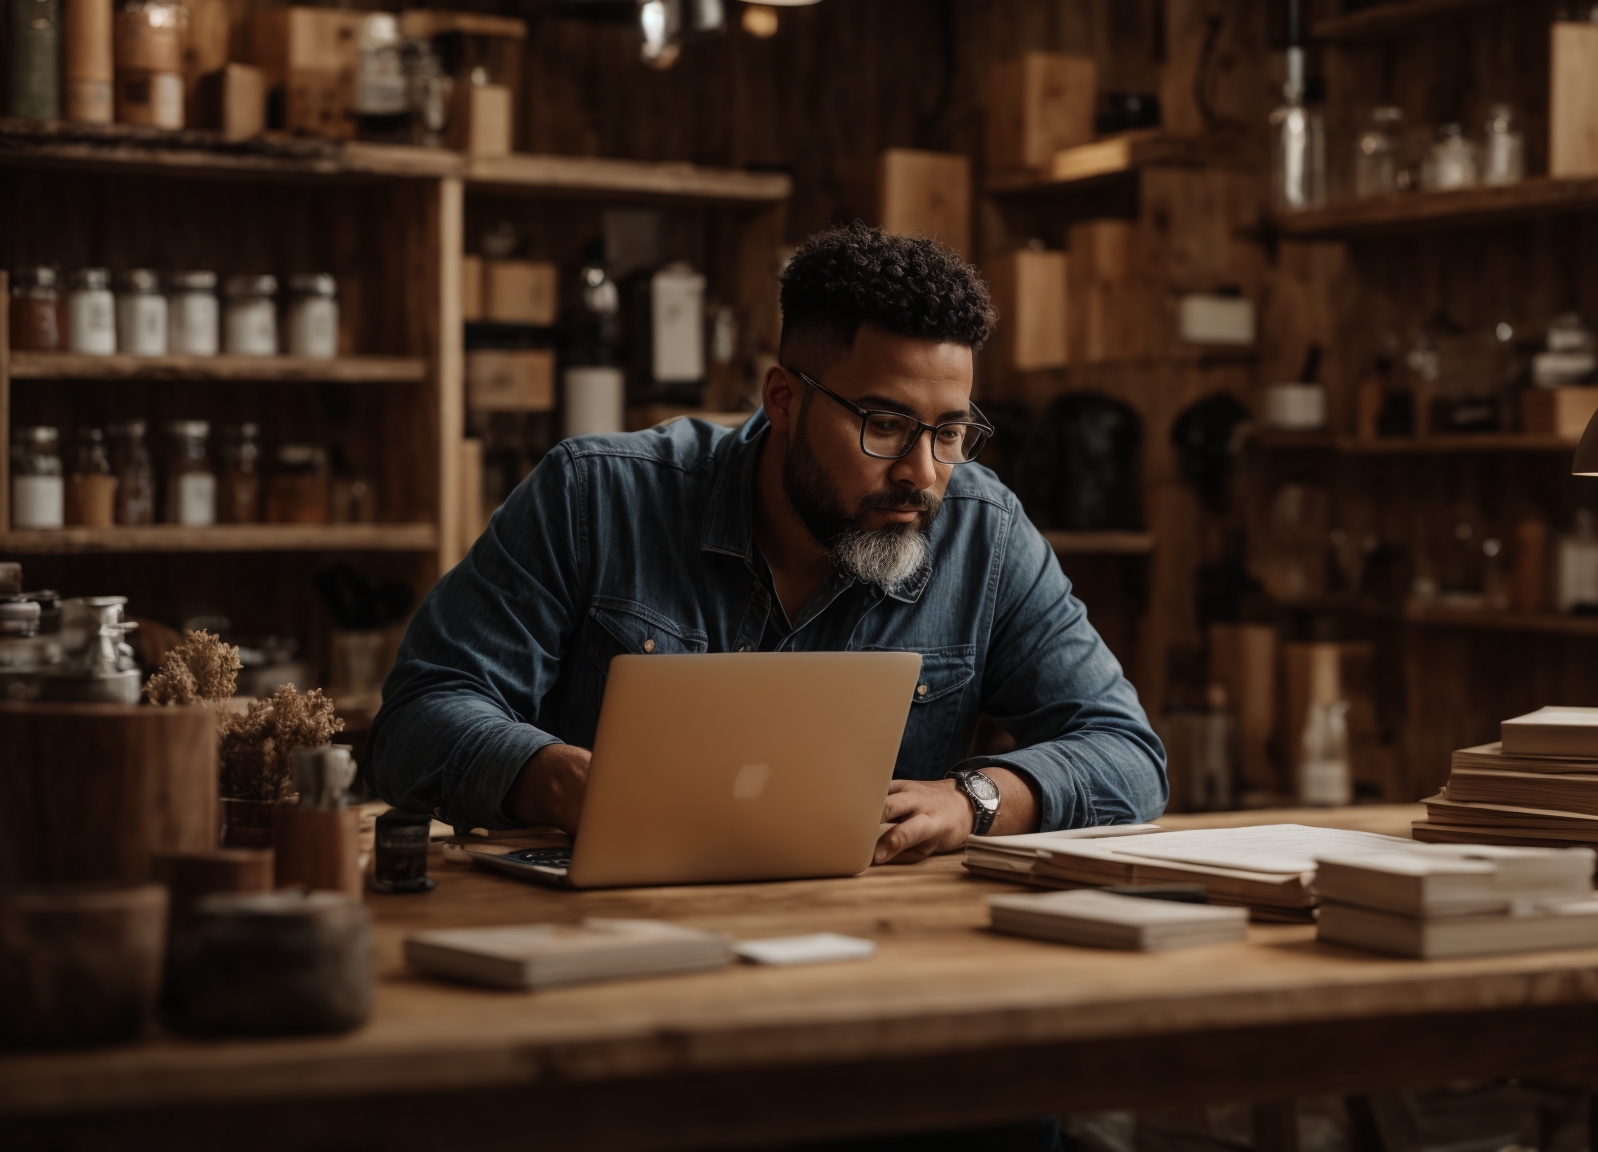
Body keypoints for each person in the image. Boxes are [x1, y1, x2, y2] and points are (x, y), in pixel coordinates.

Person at [367, 222, 1166, 865]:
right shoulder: (594, 495)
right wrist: (561, 782)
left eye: (951, 432)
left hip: (873, 953)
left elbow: (1128, 755)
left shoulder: (986, 535)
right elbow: (417, 720)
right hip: (606, 940)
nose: (924, 474)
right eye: (885, 426)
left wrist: (977, 799)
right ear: (784, 399)